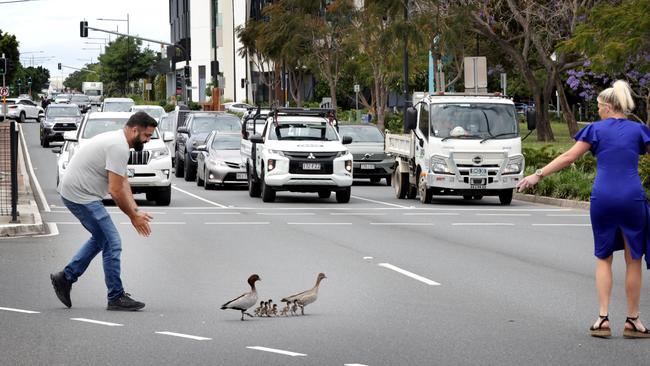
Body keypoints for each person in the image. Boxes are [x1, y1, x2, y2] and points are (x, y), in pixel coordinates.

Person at [517, 80, 650, 338]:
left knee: (603, 257)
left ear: (609, 107)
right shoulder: (639, 131)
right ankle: (633, 321)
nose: (598, 111)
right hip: (633, 199)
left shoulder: (595, 131)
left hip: (604, 199)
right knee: (633, 259)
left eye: (600, 106)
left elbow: (568, 157)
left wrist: (537, 175)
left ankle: (602, 319)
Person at [50, 111, 157, 311]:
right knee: (112, 242)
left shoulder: (119, 141)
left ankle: (65, 277)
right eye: (147, 136)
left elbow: (123, 180)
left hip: (77, 192)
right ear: (135, 130)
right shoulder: (118, 147)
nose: (148, 140)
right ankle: (115, 296)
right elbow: (115, 191)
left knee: (101, 239)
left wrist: (135, 210)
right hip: (81, 196)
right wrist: (133, 217)